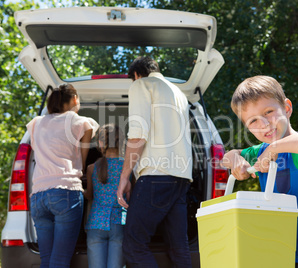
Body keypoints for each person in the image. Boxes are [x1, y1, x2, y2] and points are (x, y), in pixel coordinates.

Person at [222, 75, 298, 267]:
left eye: (268, 112)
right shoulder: (259, 151)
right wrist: (236, 159)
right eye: (253, 121)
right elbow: (226, 158)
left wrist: (273, 149)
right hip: (279, 250)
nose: (264, 124)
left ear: (286, 108)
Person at [116, 56, 193, 267]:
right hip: (181, 179)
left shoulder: (142, 85)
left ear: (136, 75)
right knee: (179, 248)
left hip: (156, 176)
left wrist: (125, 177)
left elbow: (138, 135)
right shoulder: (180, 94)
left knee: (133, 245)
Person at [27, 84, 99, 268]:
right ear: (74, 99)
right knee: (59, 261)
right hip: (65, 193)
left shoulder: (36, 123)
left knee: (47, 260)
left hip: (38, 197)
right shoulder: (81, 122)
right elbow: (81, 164)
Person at [84, 124, 126, 268]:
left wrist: (79, 190)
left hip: (96, 223)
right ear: (122, 143)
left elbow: (89, 196)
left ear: (100, 143)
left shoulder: (92, 168)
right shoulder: (127, 167)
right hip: (119, 223)